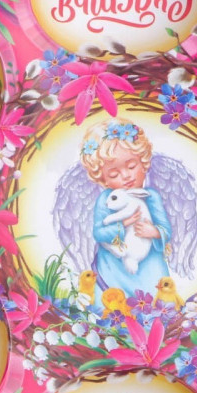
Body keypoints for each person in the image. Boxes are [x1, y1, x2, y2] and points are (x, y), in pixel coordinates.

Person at [79, 119, 172, 311]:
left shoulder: (150, 196)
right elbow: (99, 233)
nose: (126, 176)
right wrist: (123, 225)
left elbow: (166, 229)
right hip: (113, 264)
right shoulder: (106, 199)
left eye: (131, 166)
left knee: (155, 302)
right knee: (112, 305)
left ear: (143, 163)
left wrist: (154, 232)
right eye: (114, 174)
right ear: (103, 178)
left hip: (149, 264)